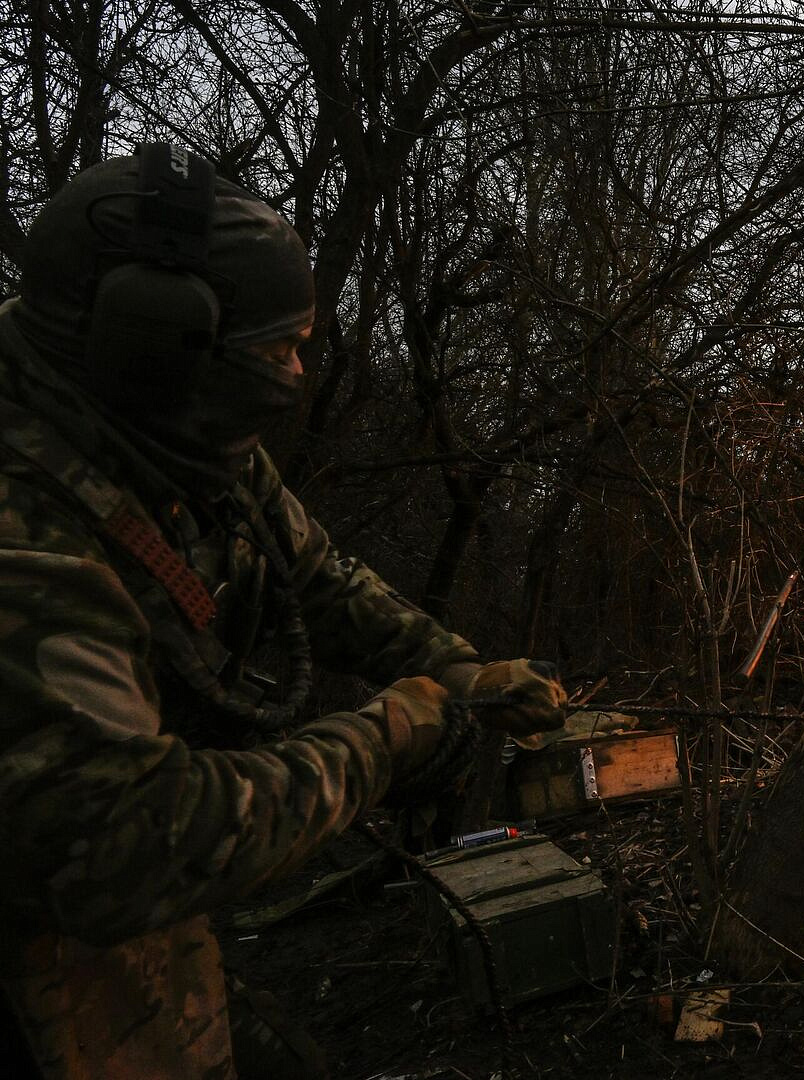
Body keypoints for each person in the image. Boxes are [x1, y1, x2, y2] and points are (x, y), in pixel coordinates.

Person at [0, 146, 567, 1078]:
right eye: (282, 352)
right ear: (163, 345)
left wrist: (460, 671)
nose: (300, 374)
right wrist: (383, 744)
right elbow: (126, 849)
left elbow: (312, 575)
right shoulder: (25, 539)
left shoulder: (163, 422)